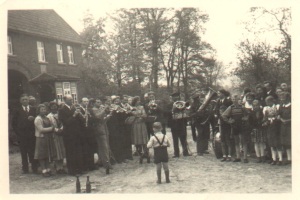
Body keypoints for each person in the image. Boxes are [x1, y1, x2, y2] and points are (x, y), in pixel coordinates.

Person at [12, 94, 38, 174]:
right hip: (22, 135)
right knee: (23, 152)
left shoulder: (33, 109)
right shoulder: (17, 110)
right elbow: (14, 123)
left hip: (31, 134)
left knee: (32, 151)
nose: (25, 101)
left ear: (28, 100)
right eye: (23, 99)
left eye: (26, 99)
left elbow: (38, 119)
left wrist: (33, 119)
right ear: (20, 101)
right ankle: (25, 168)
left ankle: (34, 167)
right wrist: (18, 133)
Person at [58, 95, 84, 175]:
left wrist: (81, 115)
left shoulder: (74, 108)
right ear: (65, 100)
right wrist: (74, 115)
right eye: (69, 100)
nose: (71, 101)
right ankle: (72, 171)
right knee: (70, 152)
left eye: (72, 99)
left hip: (77, 133)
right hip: (68, 134)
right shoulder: (61, 110)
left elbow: (81, 121)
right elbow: (66, 122)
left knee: (78, 152)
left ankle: (79, 169)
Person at [222, 94, 250, 163]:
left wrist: (245, 118)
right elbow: (224, 115)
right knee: (236, 142)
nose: (235, 101)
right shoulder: (231, 107)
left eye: (236, 99)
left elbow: (248, 114)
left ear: (238, 100)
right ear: (232, 100)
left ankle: (245, 157)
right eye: (233, 99)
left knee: (244, 141)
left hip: (242, 125)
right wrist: (229, 121)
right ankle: (238, 157)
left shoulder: (242, 107)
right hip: (235, 126)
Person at [90, 98, 113, 170]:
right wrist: (104, 109)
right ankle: (106, 164)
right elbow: (98, 117)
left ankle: (104, 161)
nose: (99, 103)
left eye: (100, 102)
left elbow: (103, 120)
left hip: (104, 127)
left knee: (106, 145)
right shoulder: (93, 109)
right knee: (104, 147)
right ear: (94, 103)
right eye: (97, 102)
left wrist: (109, 116)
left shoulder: (100, 109)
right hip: (99, 129)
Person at [34, 104, 56, 177]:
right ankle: (43, 170)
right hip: (41, 138)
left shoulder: (46, 117)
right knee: (41, 155)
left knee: (47, 154)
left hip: (48, 138)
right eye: (42, 110)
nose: (44, 111)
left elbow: (52, 125)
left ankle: (48, 169)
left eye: (44, 109)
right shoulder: (38, 119)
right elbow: (41, 130)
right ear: (38, 111)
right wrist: (51, 129)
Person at [47, 101, 67, 174]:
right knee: (56, 150)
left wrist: (61, 129)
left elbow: (63, 122)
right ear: (50, 108)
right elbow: (49, 125)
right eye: (52, 107)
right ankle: (58, 167)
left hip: (61, 134)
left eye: (55, 106)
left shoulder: (60, 114)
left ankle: (61, 167)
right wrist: (55, 129)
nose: (54, 108)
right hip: (54, 135)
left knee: (61, 150)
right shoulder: (49, 116)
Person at [169, 92, 190, 157]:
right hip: (174, 123)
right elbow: (166, 113)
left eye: (177, 97)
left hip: (182, 122)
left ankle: (185, 152)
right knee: (175, 139)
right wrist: (172, 109)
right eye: (174, 97)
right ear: (172, 98)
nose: (176, 98)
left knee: (183, 137)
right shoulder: (170, 104)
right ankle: (176, 153)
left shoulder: (183, 103)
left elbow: (187, 110)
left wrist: (184, 108)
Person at [262, 96, 281, 165]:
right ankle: (274, 159)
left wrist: (275, 118)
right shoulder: (266, 109)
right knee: (271, 144)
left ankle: (280, 159)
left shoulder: (277, 107)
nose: (267, 103)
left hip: (277, 127)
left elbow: (279, 116)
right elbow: (265, 118)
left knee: (277, 144)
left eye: (268, 101)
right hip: (270, 127)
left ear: (272, 101)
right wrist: (265, 122)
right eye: (266, 102)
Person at [130, 96, 150, 164]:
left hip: (142, 124)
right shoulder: (132, 108)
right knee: (137, 139)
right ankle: (139, 153)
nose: (139, 101)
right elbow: (133, 114)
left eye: (139, 100)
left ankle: (146, 153)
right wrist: (139, 115)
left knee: (144, 138)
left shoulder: (142, 107)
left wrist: (141, 116)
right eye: (137, 100)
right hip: (135, 124)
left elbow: (145, 115)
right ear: (135, 101)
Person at [79, 97, 97, 171]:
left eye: (87, 101)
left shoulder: (89, 110)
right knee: (85, 149)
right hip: (83, 131)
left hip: (90, 131)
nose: (86, 103)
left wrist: (90, 115)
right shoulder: (79, 110)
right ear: (81, 102)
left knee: (91, 148)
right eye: (84, 101)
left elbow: (94, 119)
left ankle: (91, 165)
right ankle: (86, 166)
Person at [278, 92, 291, 165]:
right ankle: (288, 159)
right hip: (283, 126)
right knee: (285, 143)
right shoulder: (281, 106)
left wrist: (288, 120)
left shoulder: (292, 106)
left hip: (290, 126)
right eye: (281, 98)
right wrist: (281, 120)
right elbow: (278, 115)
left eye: (284, 98)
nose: (282, 99)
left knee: (291, 142)